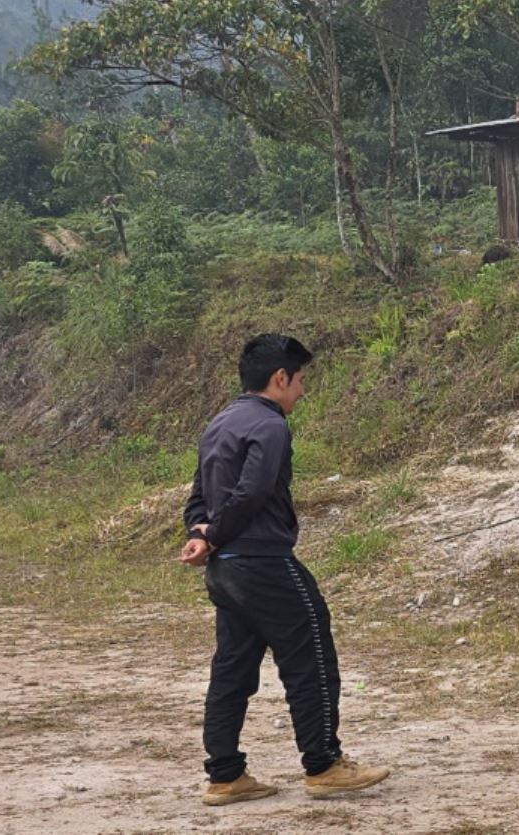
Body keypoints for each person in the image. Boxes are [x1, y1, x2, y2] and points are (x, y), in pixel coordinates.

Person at [179, 334, 391, 807]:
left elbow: (199, 496)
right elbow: (252, 492)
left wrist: (201, 533)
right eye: (300, 381)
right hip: (264, 563)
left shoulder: (220, 423)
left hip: (225, 571)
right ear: (280, 378)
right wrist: (212, 535)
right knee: (311, 655)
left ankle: (225, 775)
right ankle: (324, 766)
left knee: (232, 668)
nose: (302, 391)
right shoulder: (269, 426)